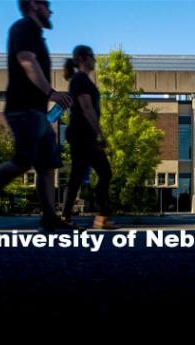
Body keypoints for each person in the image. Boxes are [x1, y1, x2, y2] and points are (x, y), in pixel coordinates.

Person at [0, 0, 73, 233]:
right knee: (21, 163)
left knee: (47, 165)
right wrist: (51, 93)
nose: (51, 10)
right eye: (46, 4)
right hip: (23, 109)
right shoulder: (24, 27)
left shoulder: (35, 33)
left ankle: (50, 219)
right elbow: (26, 60)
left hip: (37, 113)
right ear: (33, 4)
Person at [61, 45, 115, 229]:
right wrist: (100, 133)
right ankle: (76, 218)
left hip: (85, 135)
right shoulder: (80, 79)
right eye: (93, 56)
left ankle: (99, 217)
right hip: (81, 134)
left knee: (97, 173)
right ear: (83, 58)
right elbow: (86, 108)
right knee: (90, 174)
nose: (95, 59)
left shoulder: (83, 80)